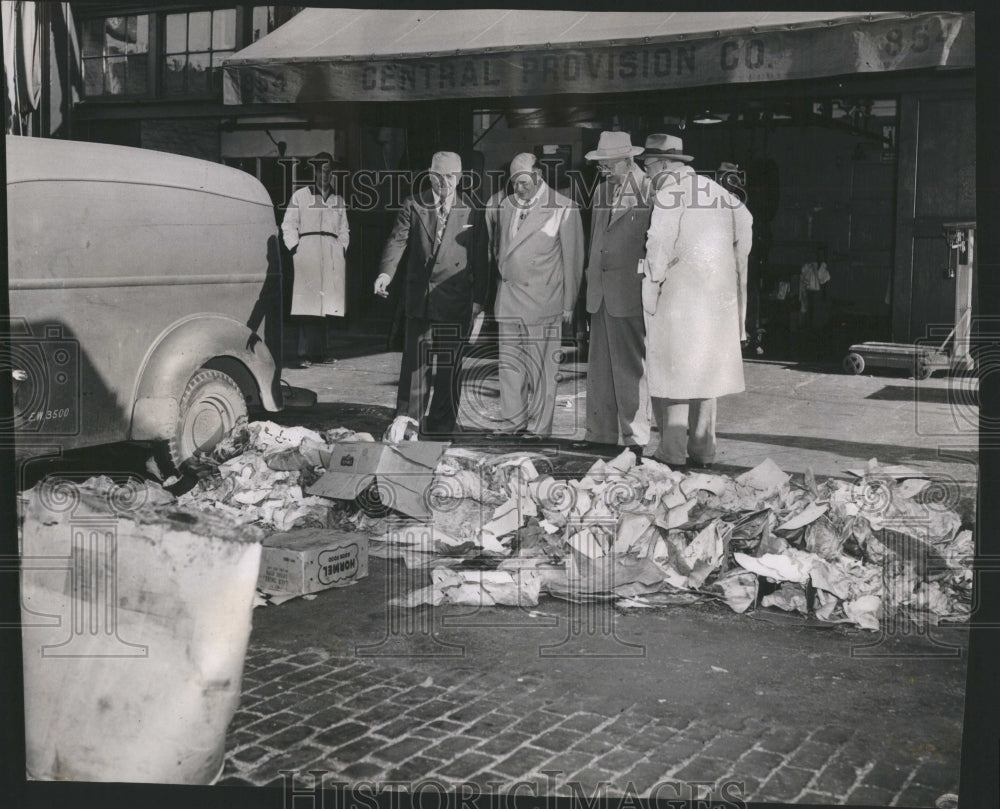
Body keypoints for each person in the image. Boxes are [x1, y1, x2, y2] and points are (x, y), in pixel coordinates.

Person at [642, 135, 753, 470]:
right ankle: (704, 451)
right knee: (706, 376)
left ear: (663, 165)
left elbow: (658, 244)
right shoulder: (719, 192)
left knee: (673, 373)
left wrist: (653, 282)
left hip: (680, 299)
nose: (647, 176)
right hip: (716, 301)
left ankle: (671, 452)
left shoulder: (669, 195)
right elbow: (746, 228)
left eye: (649, 168)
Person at [374, 151, 488, 438]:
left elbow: (481, 259)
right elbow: (396, 241)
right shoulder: (414, 204)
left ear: (460, 177)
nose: (443, 183)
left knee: (449, 368)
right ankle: (408, 421)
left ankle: (442, 425)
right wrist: (385, 273)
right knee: (415, 365)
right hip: (421, 299)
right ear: (429, 173)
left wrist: (479, 302)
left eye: (450, 176)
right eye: (438, 176)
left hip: (456, 299)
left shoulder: (473, 210)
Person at [492, 152, 584, 439]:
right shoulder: (506, 205)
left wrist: (568, 303)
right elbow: (499, 250)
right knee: (509, 366)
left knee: (541, 370)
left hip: (543, 301)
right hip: (508, 298)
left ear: (538, 176)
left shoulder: (563, 208)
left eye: (524, 182)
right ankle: (511, 421)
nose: (519, 188)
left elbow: (573, 260)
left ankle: (538, 427)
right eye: (514, 183)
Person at [572, 131, 652, 456]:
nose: (602, 168)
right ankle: (600, 434)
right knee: (600, 369)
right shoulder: (603, 191)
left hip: (629, 293)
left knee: (631, 369)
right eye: (600, 163)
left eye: (606, 163)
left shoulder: (650, 189)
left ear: (627, 160)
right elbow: (595, 242)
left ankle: (636, 439)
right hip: (600, 294)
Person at [280, 152, 350, 368]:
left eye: (329, 171)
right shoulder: (301, 196)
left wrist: (341, 248)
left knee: (326, 305)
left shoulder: (338, 200)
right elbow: (288, 223)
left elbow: (344, 228)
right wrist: (295, 247)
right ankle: (303, 354)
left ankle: (321, 353)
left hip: (331, 252)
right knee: (306, 306)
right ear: (315, 172)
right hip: (308, 251)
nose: (325, 175)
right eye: (321, 171)